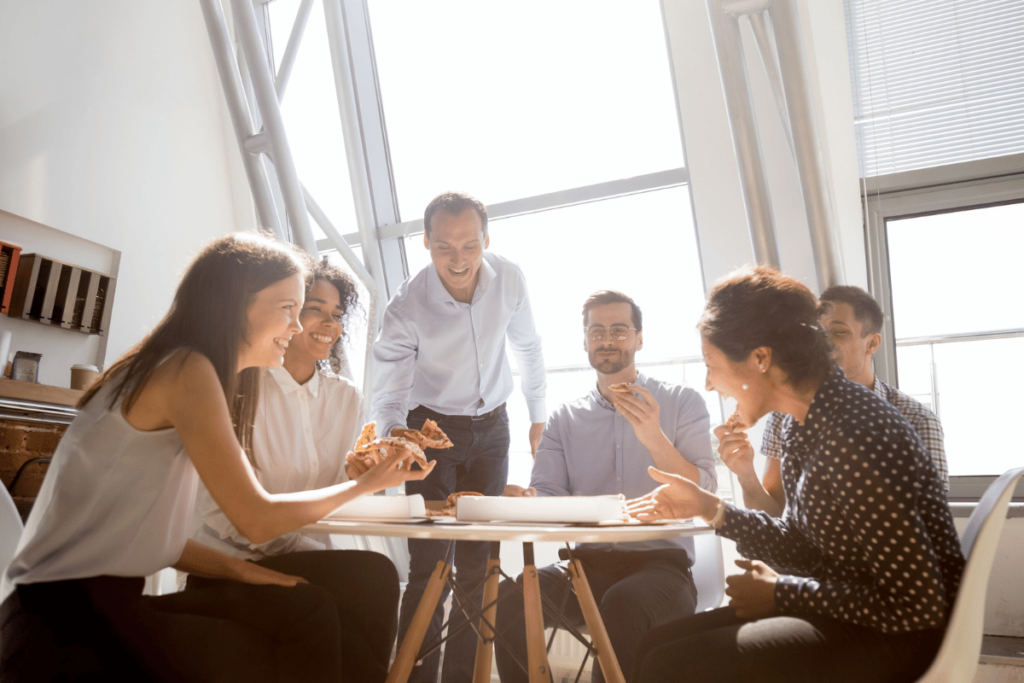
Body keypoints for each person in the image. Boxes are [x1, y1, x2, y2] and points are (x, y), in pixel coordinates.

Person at [0, 233, 433, 683]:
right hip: (59, 625)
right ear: (235, 303)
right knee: (302, 620)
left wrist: (240, 571)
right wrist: (366, 482)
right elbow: (257, 519)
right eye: (288, 309)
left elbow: (148, 533)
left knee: (331, 593)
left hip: (93, 606)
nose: (296, 327)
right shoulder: (187, 371)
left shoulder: (177, 366)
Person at [628, 266, 964, 683]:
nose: (710, 384)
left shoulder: (857, 432)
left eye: (711, 364)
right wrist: (709, 507)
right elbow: (805, 544)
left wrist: (782, 591)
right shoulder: (797, 422)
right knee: (650, 647)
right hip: (846, 612)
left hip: (899, 637)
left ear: (761, 359)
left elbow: (917, 604)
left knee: (670, 665)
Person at [187, 257, 397, 682]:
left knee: (369, 593)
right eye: (314, 308)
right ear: (289, 315)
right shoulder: (238, 386)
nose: (328, 323)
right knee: (374, 579)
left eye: (336, 314)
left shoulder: (345, 399)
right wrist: (308, 550)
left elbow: (334, 499)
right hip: (234, 562)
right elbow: (217, 511)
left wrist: (361, 481)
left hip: (313, 565)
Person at [495, 291, 717, 683]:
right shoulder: (564, 418)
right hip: (585, 569)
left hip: (662, 570)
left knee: (622, 605)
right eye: (597, 331)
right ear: (584, 341)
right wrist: (528, 499)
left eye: (619, 330)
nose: (607, 340)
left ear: (639, 338)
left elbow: (706, 491)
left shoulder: (683, 402)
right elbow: (547, 495)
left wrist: (654, 438)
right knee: (511, 600)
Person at [371, 191, 547, 683]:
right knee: (430, 569)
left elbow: (529, 348)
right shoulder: (406, 305)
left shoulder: (508, 278)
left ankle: (464, 678)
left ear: (485, 240)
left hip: (494, 427)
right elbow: (388, 395)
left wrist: (538, 416)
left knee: (480, 568)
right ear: (425, 243)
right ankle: (415, 677)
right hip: (431, 429)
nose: (458, 259)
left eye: (470, 245)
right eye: (444, 247)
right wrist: (398, 441)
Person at [719, 284, 948, 517]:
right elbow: (774, 515)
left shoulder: (917, 420)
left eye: (839, 332)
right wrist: (746, 475)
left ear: (872, 343)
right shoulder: (784, 414)